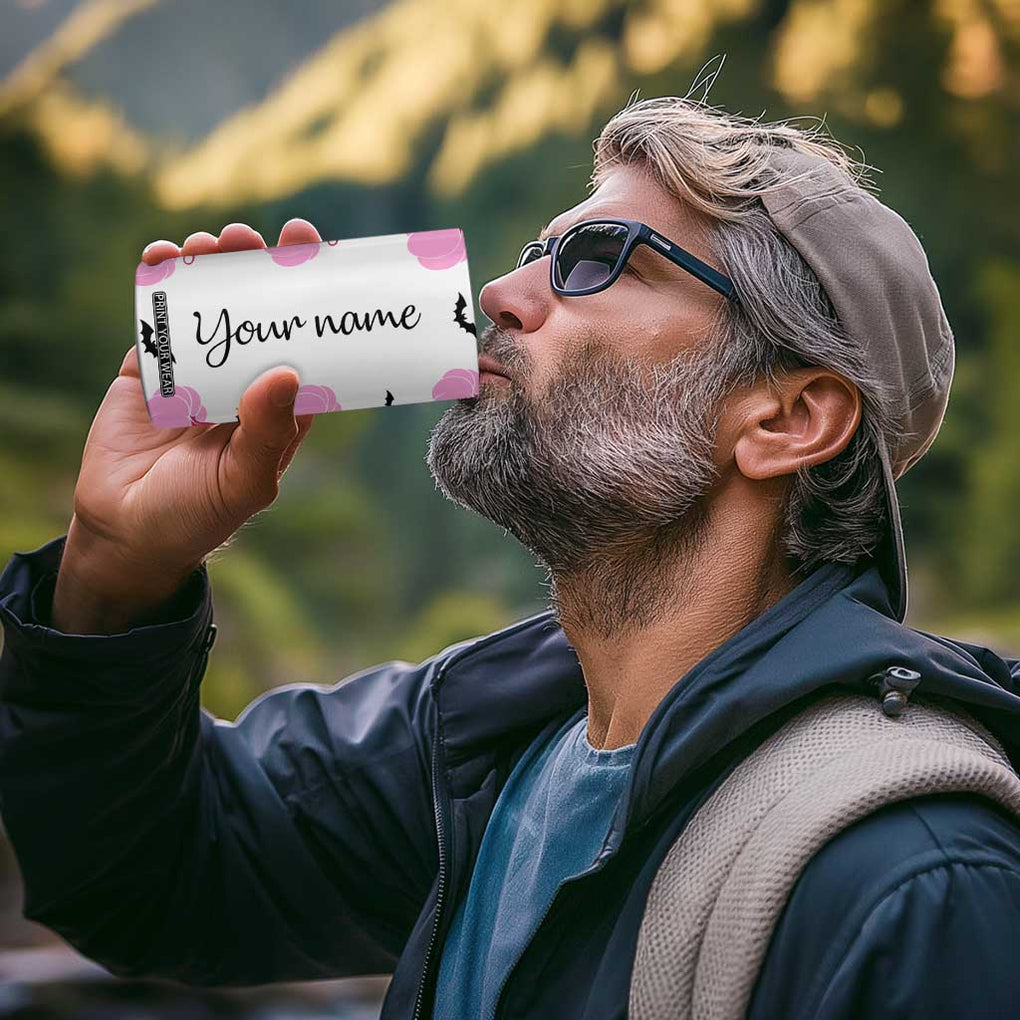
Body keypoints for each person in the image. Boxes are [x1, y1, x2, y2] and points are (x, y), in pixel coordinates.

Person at [2, 93, 1020, 1020]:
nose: (499, 291)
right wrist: (114, 570)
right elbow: (148, 877)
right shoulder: (477, 749)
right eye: (538, 252)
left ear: (788, 418)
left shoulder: (914, 882)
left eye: (597, 261)